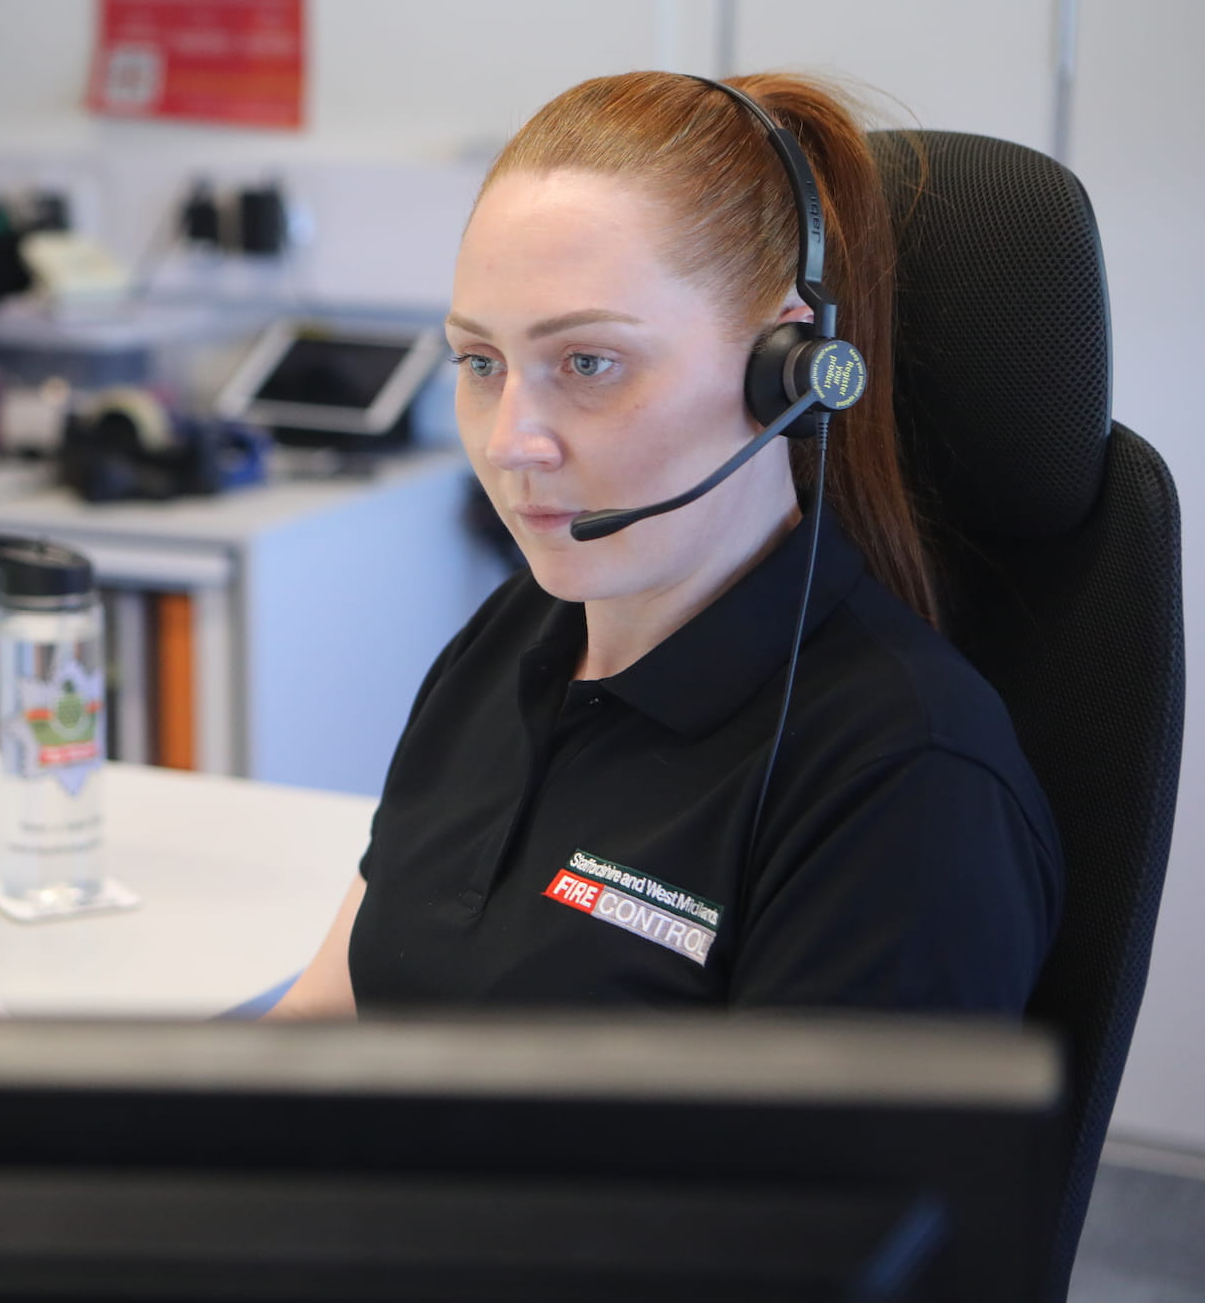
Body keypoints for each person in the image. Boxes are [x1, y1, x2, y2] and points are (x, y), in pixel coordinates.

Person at [269, 71, 1061, 1019]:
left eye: (589, 362)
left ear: (786, 372)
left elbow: (817, 1174)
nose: (511, 440)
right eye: (481, 362)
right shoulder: (513, 637)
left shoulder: (908, 781)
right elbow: (329, 1011)